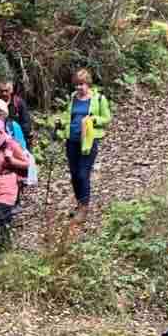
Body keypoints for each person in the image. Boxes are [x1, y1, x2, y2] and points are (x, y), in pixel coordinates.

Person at [55, 67, 112, 224]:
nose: (79, 87)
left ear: (88, 84)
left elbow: (107, 118)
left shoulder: (99, 99)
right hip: (72, 140)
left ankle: (84, 207)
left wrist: (93, 120)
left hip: (88, 141)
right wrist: (61, 122)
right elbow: (69, 117)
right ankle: (79, 202)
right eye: (76, 84)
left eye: (81, 84)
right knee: (74, 174)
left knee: (83, 173)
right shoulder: (73, 98)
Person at [0, 116, 29, 250]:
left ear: (1, 131)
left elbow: (26, 164)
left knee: (0, 218)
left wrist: (12, 160)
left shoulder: (11, 144)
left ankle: (6, 249)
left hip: (8, 183)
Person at [0, 78, 32, 151]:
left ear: (11, 91)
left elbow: (26, 124)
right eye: (2, 91)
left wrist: (18, 139)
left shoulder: (18, 103)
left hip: (17, 139)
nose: (4, 93)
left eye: (6, 91)